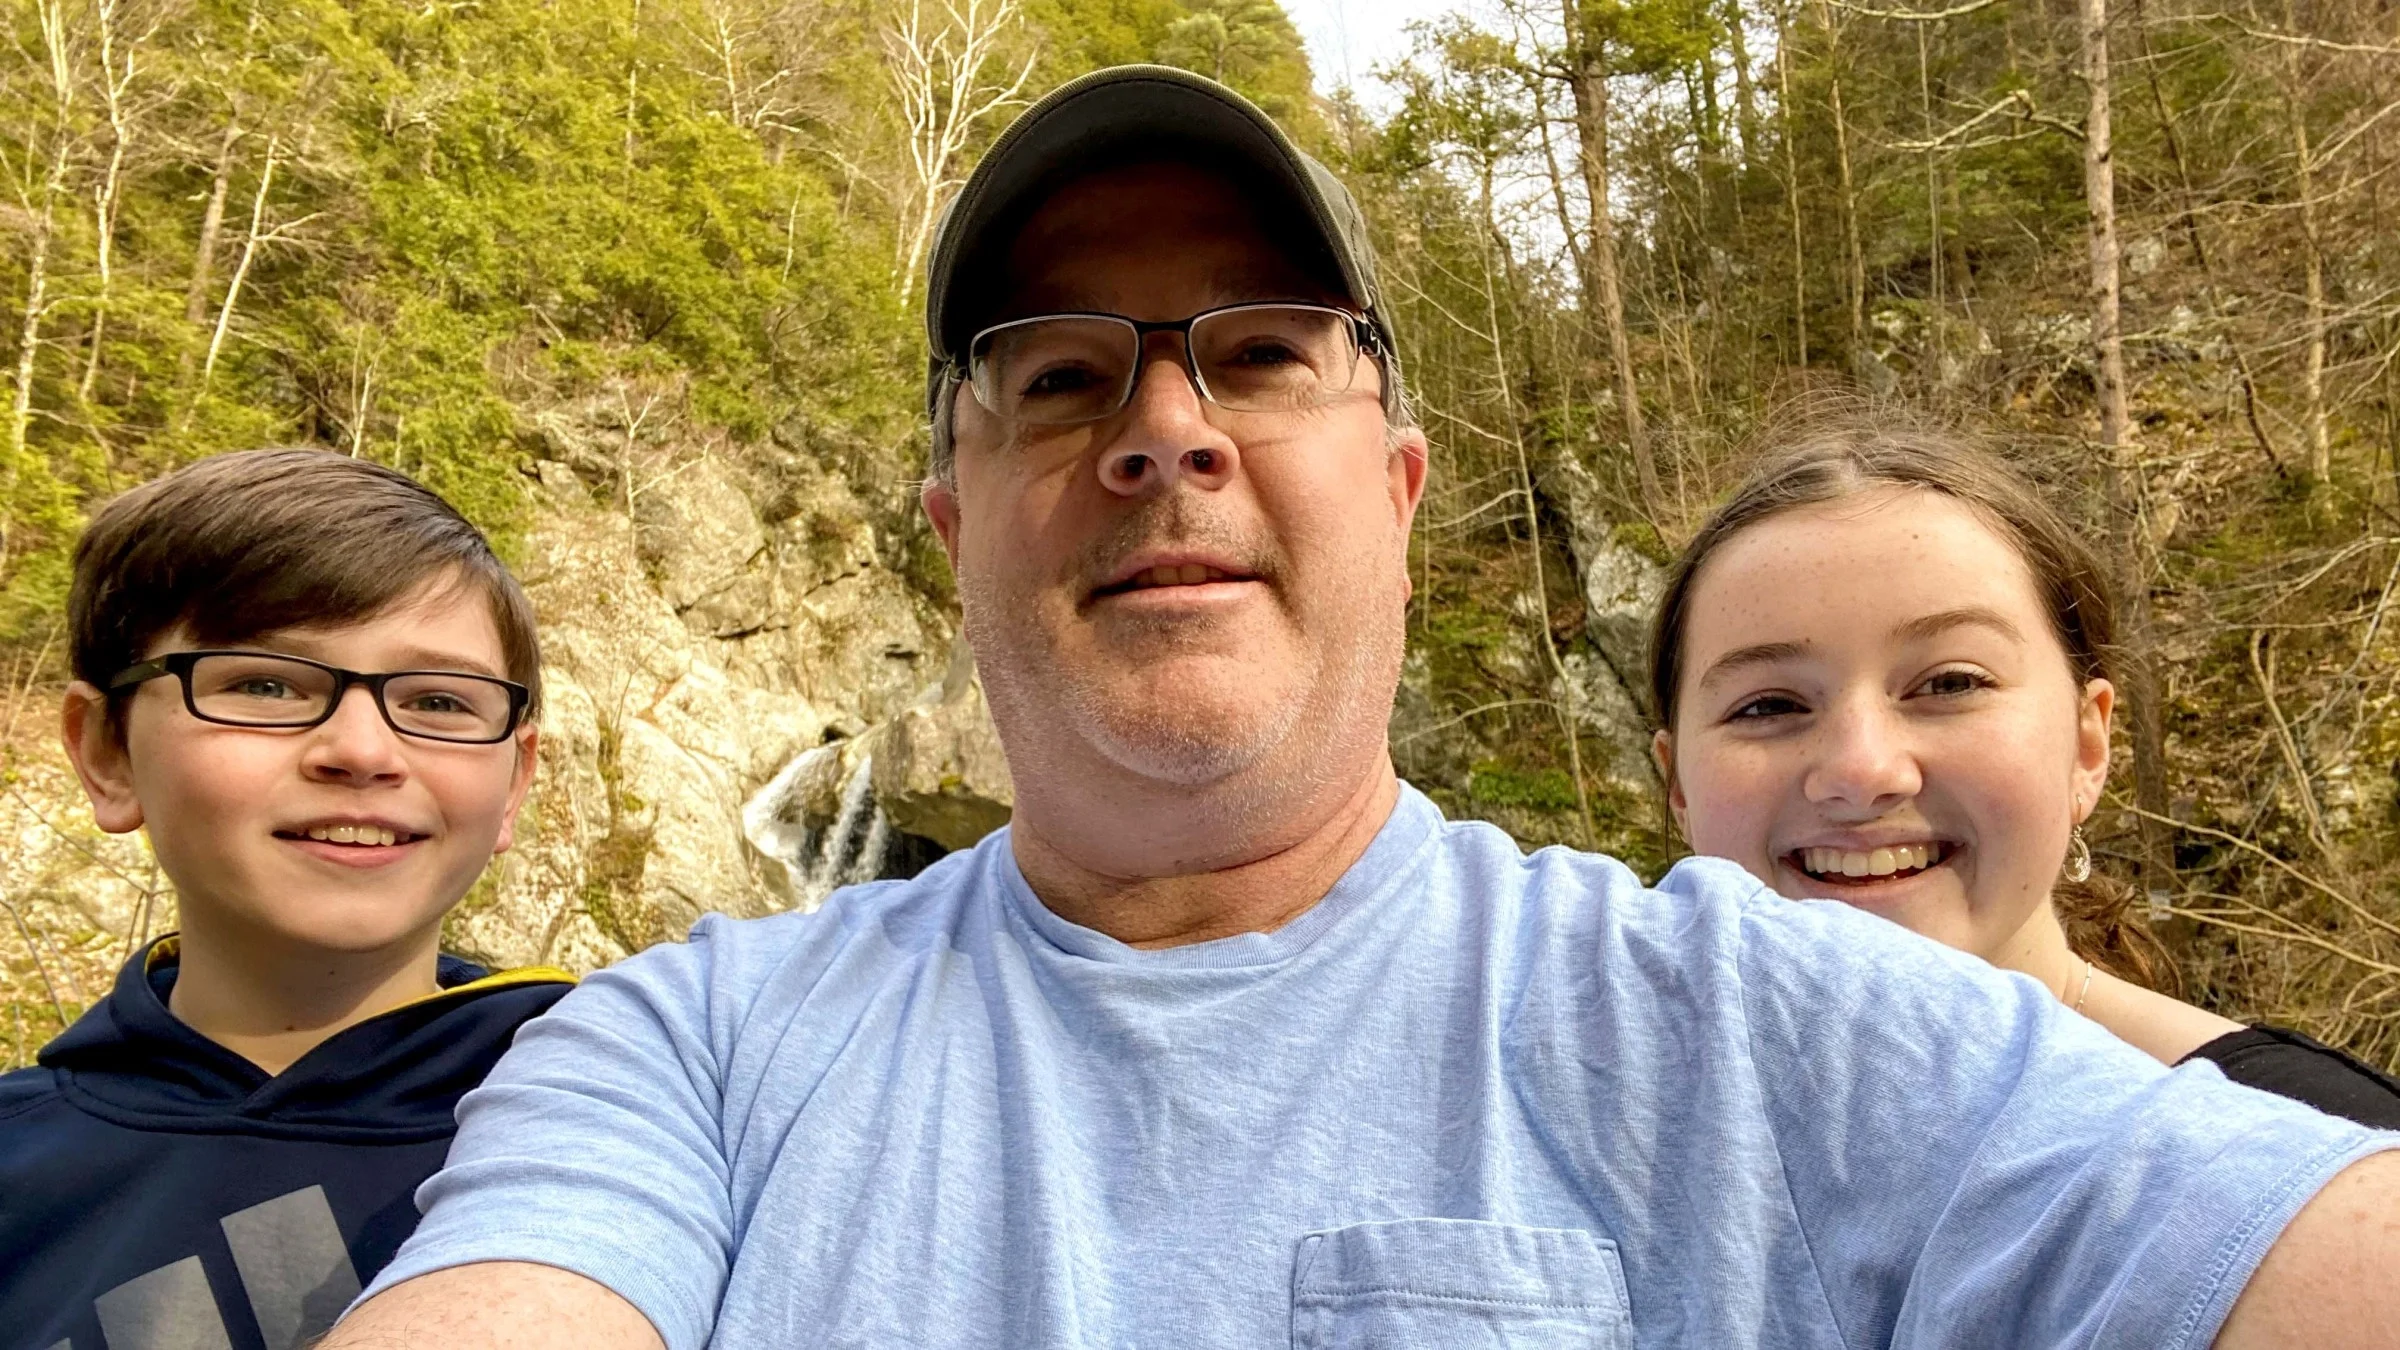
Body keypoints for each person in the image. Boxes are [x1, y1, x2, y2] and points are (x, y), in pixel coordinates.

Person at [329, 66, 2400, 1350]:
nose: (1164, 431)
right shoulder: (679, 1053)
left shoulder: (1753, 1026)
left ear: (1399, 489)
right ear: (950, 520)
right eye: (1061, 374)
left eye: (1257, 356)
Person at [1646, 415, 2400, 1130]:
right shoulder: (1593, 1142)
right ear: (1678, 783)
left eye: (1950, 683)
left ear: (2086, 745)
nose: (1863, 769)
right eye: (1767, 704)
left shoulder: (2319, 1159)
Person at [0, 450, 571, 1350]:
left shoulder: (618, 1115)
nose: (363, 751)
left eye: (437, 701)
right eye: (264, 685)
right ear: (106, 751)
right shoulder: (20, 1161)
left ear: (513, 783)